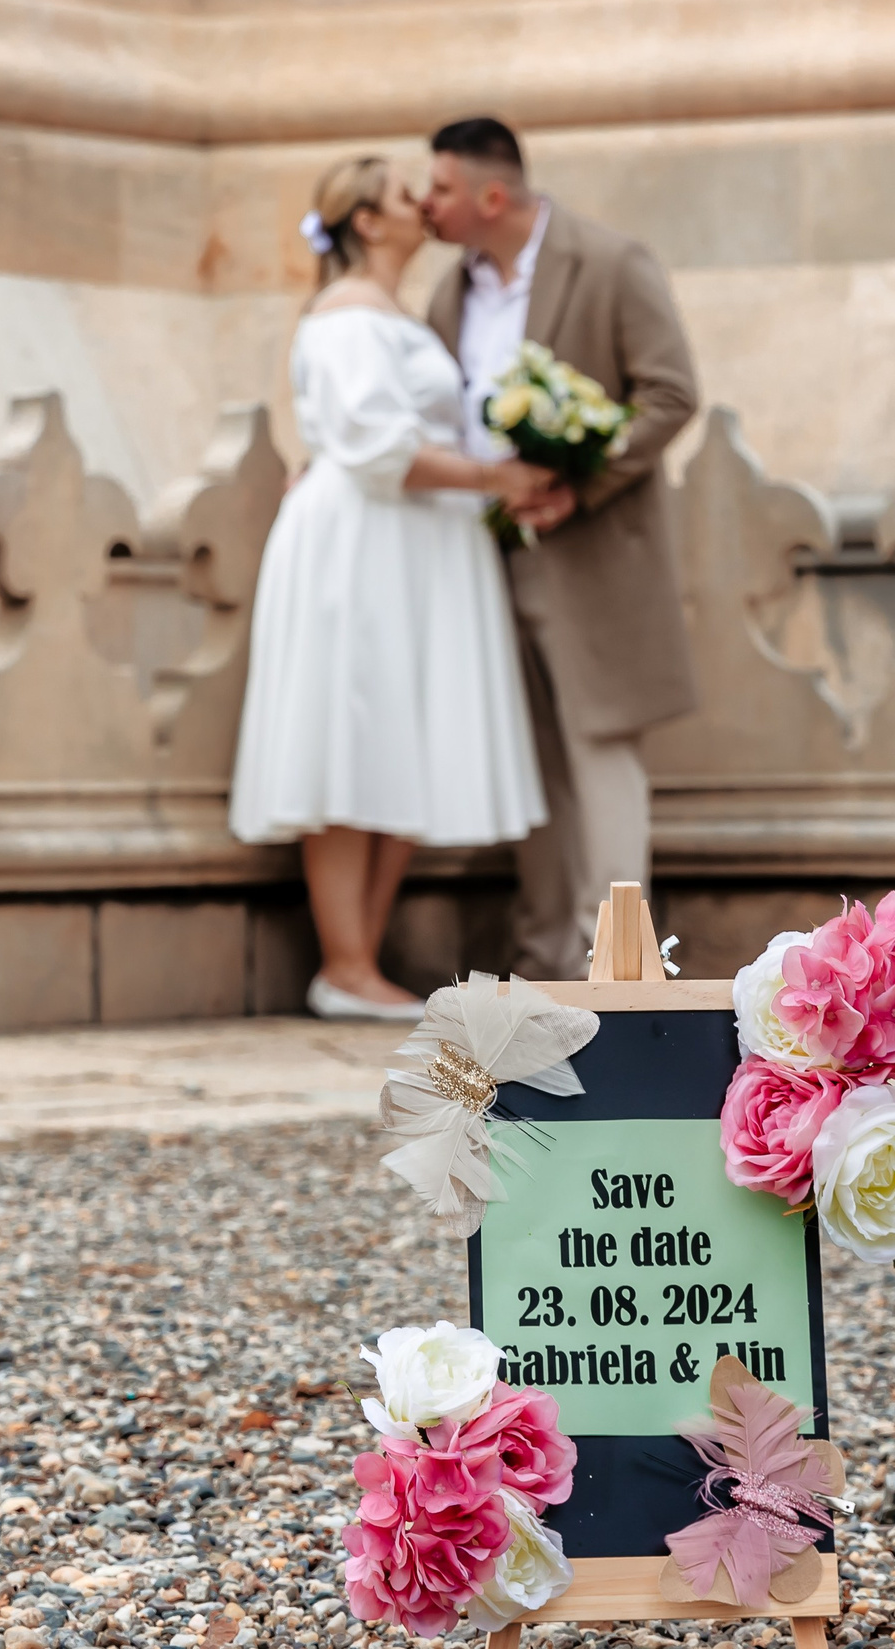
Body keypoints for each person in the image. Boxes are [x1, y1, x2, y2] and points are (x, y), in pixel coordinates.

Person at [229, 155, 553, 1022]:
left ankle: (359, 963)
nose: (427, 205)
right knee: (351, 735)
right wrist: (500, 480)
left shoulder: (395, 316)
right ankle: (344, 959)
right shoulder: (346, 320)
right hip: (362, 543)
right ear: (369, 221)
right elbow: (375, 448)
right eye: (411, 196)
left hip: (415, 545)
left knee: (403, 738)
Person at [422, 116, 701, 982]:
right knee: (524, 758)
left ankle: (614, 969)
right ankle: (541, 960)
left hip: (593, 559)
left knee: (601, 755)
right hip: (480, 559)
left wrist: (580, 481)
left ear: (488, 195)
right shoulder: (448, 292)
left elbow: (670, 393)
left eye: (437, 189)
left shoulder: (611, 262)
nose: (423, 205)